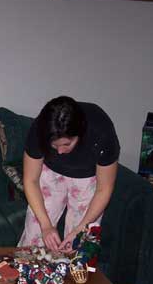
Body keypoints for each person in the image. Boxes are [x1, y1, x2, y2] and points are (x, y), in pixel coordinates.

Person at [18, 96, 120, 252]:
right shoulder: (39, 130)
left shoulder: (101, 132)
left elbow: (104, 189)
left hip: (88, 178)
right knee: (35, 234)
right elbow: (31, 180)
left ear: (79, 134)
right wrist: (46, 226)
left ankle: (74, 274)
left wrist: (79, 230)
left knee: (79, 245)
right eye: (54, 145)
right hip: (50, 171)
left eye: (67, 144)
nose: (60, 151)